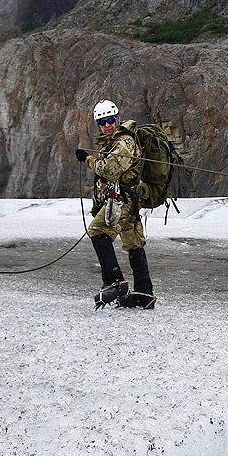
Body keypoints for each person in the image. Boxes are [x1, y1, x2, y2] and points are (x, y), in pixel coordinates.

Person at [75, 100, 156, 309]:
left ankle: (115, 281)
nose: (107, 125)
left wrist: (87, 159)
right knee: (133, 243)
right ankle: (143, 294)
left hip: (123, 200)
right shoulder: (111, 143)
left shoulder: (124, 141)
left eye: (110, 120)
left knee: (97, 230)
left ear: (116, 118)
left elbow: (110, 169)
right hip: (128, 198)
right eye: (102, 122)